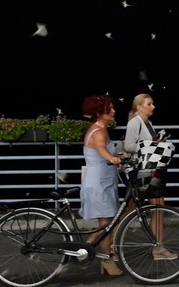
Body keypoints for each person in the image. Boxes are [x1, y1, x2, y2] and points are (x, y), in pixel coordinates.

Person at [124, 93, 177, 260]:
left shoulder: (148, 123)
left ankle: (157, 246)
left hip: (151, 169)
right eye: (149, 104)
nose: (153, 106)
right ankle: (157, 248)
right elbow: (128, 146)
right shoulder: (135, 123)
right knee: (149, 208)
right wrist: (151, 146)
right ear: (139, 106)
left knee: (153, 207)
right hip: (144, 171)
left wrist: (157, 142)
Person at [80, 95, 124, 276]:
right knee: (107, 223)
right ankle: (102, 258)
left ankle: (90, 251)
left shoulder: (100, 128)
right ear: (99, 113)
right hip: (99, 184)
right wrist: (112, 158)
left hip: (103, 181)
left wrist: (119, 157)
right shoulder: (99, 131)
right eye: (109, 109)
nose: (113, 111)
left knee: (108, 222)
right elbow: (101, 149)